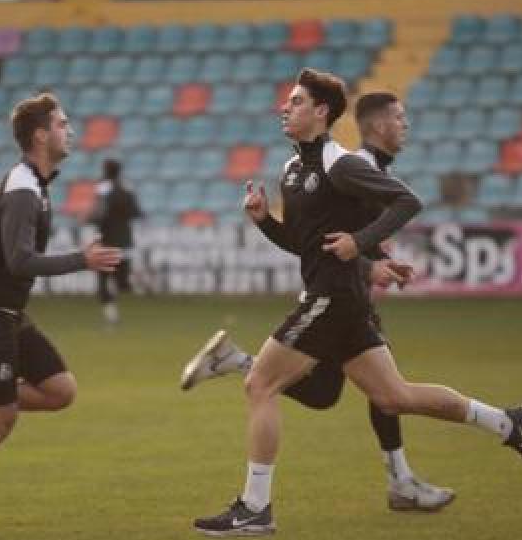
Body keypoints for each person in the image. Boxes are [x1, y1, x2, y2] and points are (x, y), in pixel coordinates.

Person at [193, 69, 522, 537]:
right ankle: (510, 423)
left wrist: (359, 243)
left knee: (260, 385)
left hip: (331, 299)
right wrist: (263, 221)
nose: (285, 107)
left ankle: (255, 508)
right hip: (346, 303)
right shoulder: (292, 170)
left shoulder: (340, 163)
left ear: (321, 112)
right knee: (394, 397)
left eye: (296, 101)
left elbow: (407, 202)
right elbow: (304, 245)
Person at [181, 91, 454, 512]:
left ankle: (407, 475)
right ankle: (407, 476)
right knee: (369, 393)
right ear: (379, 124)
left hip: (343, 299)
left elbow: (345, 239)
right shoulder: (339, 166)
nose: (405, 125)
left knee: (330, 393)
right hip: (337, 298)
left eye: (295, 102)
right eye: (400, 118)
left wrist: (369, 256)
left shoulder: (347, 165)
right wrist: (366, 261)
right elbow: (322, 244)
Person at [0, 92, 121, 527]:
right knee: (2, 418)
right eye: (62, 124)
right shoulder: (24, 191)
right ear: (40, 136)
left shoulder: (28, 183)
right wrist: (81, 260)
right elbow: (19, 261)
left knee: (61, 390)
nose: (70, 131)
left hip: (6, 311)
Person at [90, 158, 142, 325]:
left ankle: (111, 314)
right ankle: (136, 287)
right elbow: (137, 212)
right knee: (123, 283)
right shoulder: (127, 188)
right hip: (125, 242)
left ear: (105, 170)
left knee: (104, 280)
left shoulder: (102, 189)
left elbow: (98, 215)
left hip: (107, 242)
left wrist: (89, 218)